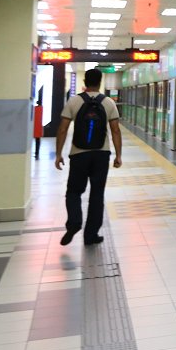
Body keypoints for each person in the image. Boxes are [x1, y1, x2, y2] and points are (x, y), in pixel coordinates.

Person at [54, 68, 121, 246]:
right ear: (100, 81)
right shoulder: (108, 103)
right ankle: (91, 235)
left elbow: (62, 129)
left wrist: (59, 154)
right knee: (97, 194)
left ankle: (75, 221)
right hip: (101, 154)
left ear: (85, 81)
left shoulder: (74, 101)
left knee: (74, 191)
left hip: (79, 154)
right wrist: (118, 155)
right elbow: (115, 130)